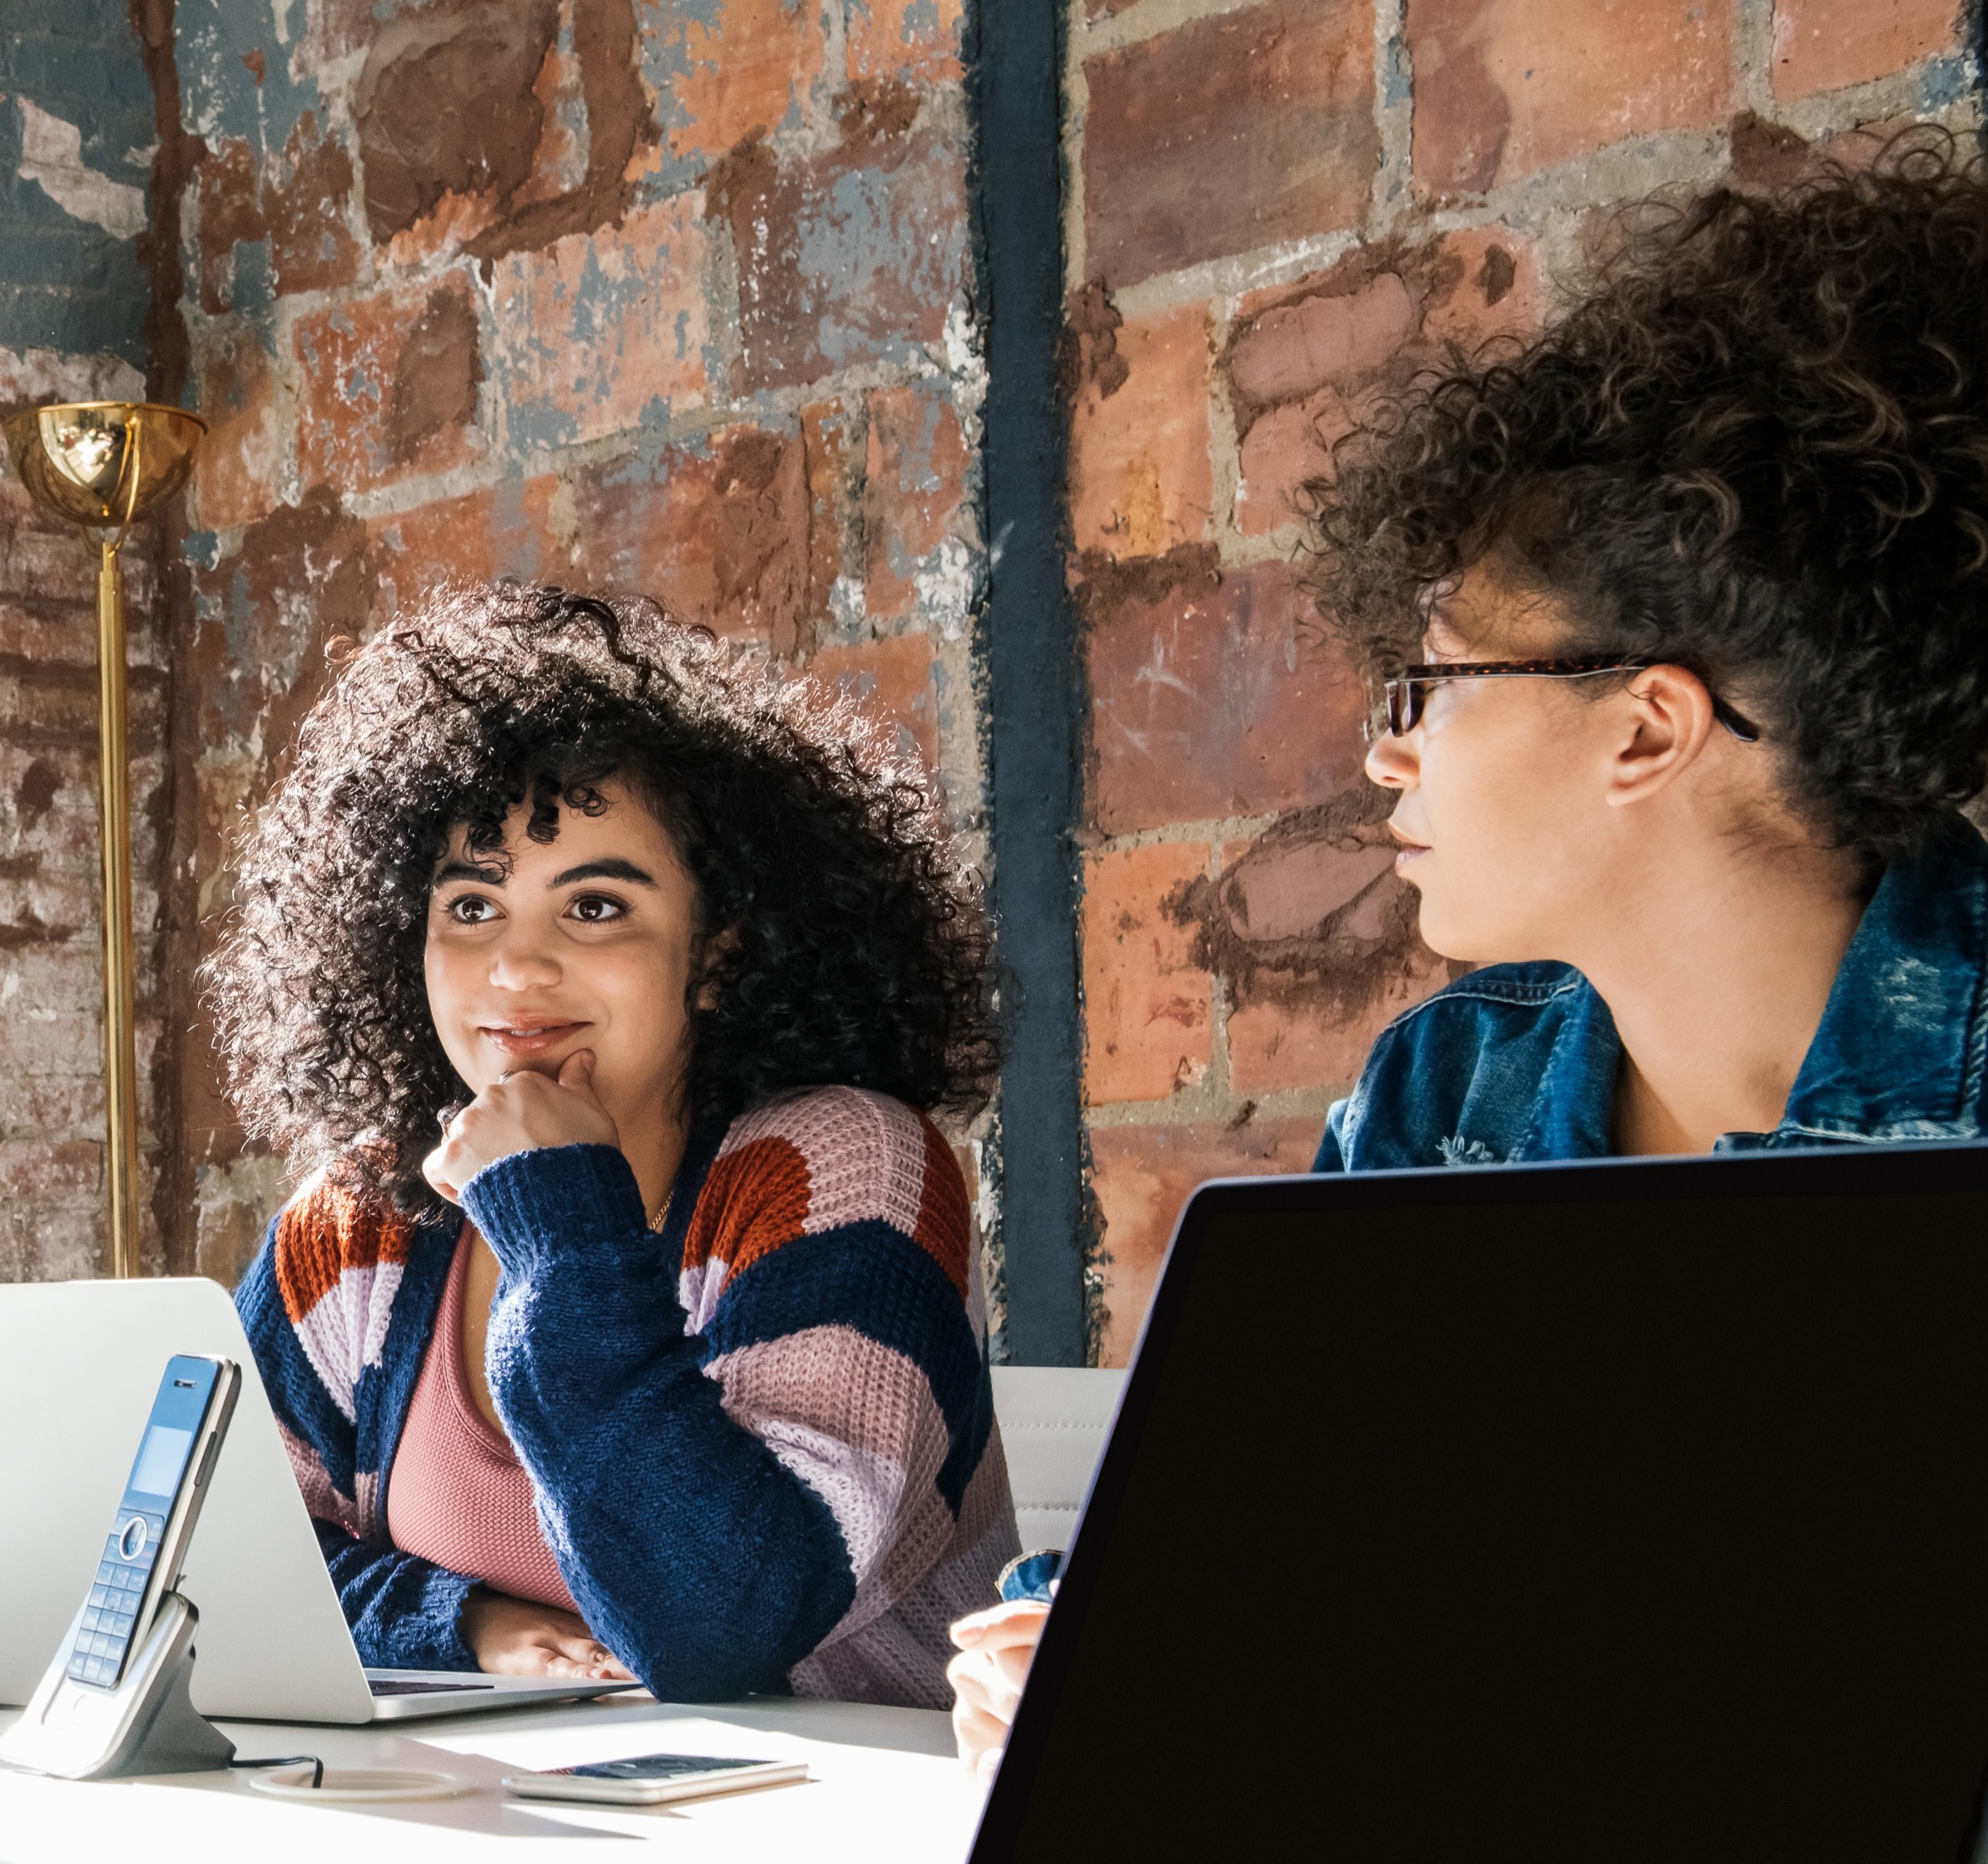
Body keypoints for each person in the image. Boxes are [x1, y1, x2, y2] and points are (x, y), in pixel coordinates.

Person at [945, 135, 1988, 1768]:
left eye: (1428, 689)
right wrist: (1087, 1644)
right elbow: (1238, 1541)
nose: (1385, 754)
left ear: (1647, 728)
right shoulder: (1453, 1089)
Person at [207, 583, 1016, 1707]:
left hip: (832, 1834)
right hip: (488, 1829)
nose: (515, 970)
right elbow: (220, 1568)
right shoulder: (358, 1230)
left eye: (594, 907)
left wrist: (560, 1226)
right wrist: (468, 1621)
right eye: (472, 907)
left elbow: (723, 1620)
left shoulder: (843, 1171)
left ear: (719, 948)